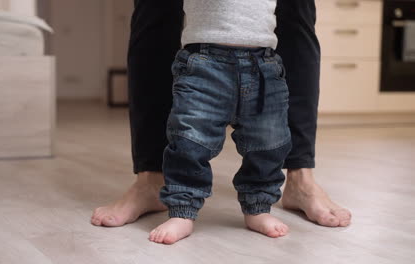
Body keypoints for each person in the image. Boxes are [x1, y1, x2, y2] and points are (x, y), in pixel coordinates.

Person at [91, 0, 351, 232]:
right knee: (189, 138)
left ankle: (274, 196)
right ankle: (165, 192)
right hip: (203, 57)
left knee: (268, 141)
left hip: (264, 62)